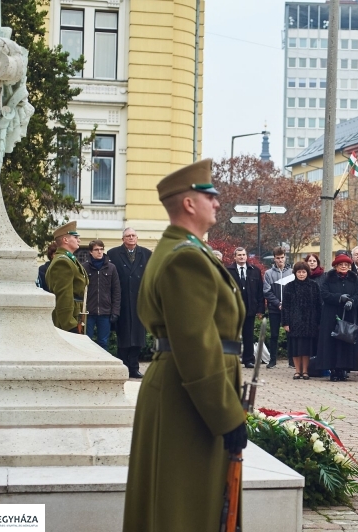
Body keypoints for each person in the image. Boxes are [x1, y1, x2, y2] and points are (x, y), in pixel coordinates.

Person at [123, 158, 247, 531]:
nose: (217, 202)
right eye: (210, 196)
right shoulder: (186, 259)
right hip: (189, 396)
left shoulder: (182, 250)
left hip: (183, 391)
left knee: (176, 505)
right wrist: (226, 415)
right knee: (185, 508)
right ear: (190, 203)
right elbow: (196, 344)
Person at [108, 227, 152, 378]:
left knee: (138, 338)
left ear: (137, 238)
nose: (131, 238)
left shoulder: (146, 254)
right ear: (123, 239)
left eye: (133, 235)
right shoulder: (113, 254)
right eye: (128, 236)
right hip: (122, 301)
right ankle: (123, 367)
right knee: (124, 336)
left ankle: (134, 367)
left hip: (140, 302)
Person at [318, 253, 358, 381]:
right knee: (332, 342)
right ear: (336, 266)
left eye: (346, 265)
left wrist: (352, 301)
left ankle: (343, 369)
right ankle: (333, 370)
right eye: (341, 264)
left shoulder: (354, 278)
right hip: (331, 313)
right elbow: (324, 293)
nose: (343, 267)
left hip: (347, 313)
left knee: (345, 341)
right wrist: (339, 298)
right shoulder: (328, 278)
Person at [45, 221, 89, 333]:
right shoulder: (63, 263)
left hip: (76, 315)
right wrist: (69, 324)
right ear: (65, 240)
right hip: (68, 320)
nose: (79, 240)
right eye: (75, 237)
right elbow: (63, 295)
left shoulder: (69, 259)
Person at [282, 261, 321, 380]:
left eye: (303, 272)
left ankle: (305, 371)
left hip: (310, 321)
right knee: (295, 348)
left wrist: (318, 321)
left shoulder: (314, 286)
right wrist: (285, 322)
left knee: (306, 348)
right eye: (299, 272)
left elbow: (318, 305)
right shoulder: (289, 286)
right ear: (295, 273)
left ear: (307, 272)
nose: (301, 274)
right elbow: (285, 306)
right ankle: (297, 371)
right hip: (294, 321)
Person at [227, 247, 264, 369]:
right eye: (239, 255)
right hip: (234, 309)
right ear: (234, 257)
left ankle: (248, 359)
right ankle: (232, 359)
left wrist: (260, 309)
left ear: (247, 256)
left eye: (243, 255)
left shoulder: (255, 271)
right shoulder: (228, 271)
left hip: (250, 308)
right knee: (233, 335)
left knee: (248, 335)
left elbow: (260, 291)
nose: (242, 257)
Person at [81, 240, 121, 351]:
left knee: (103, 343)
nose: (99, 252)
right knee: (86, 341)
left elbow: (116, 291)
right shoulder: (84, 268)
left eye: (101, 249)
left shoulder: (111, 268)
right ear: (90, 252)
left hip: (105, 312)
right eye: (96, 249)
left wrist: (115, 312)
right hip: (88, 312)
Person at [263, 247, 293, 368]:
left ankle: (292, 361)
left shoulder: (292, 272)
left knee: (290, 334)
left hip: (289, 309)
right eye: (277, 258)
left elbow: (294, 290)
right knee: (274, 335)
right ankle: (272, 360)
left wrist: (287, 304)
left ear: (285, 257)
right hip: (275, 309)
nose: (280, 260)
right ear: (274, 259)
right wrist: (278, 303)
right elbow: (267, 291)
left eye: (282, 257)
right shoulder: (268, 273)